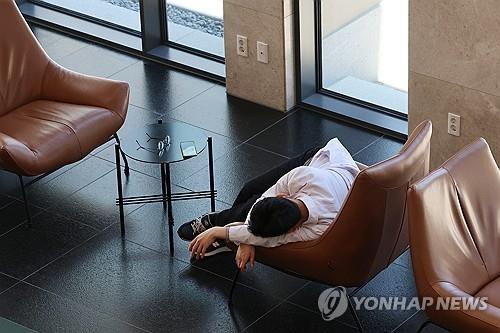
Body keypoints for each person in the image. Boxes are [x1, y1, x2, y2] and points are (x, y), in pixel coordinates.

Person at [177, 138, 359, 271]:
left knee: (249, 207)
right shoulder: (304, 175)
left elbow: (274, 240)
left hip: (340, 183)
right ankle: (222, 230)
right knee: (251, 189)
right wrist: (244, 238)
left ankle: (216, 226)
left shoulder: (322, 227)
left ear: (293, 229)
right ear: (282, 197)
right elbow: (262, 199)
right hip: (317, 160)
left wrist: (223, 232)